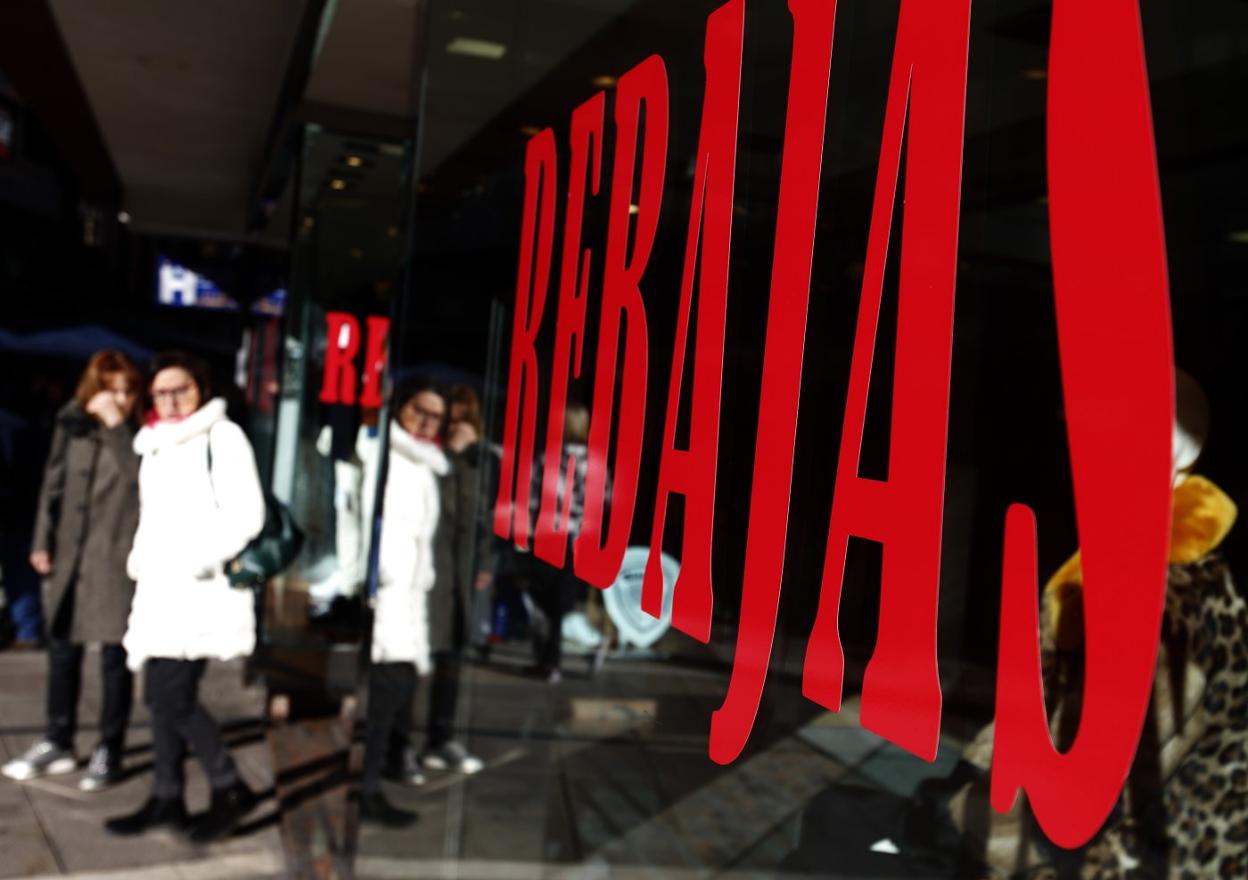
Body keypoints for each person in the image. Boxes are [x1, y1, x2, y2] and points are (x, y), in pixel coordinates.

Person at [105, 351, 265, 841]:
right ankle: (166, 795)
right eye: (162, 392)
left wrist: (201, 559)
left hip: (199, 592)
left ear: (201, 388)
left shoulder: (222, 435)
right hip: (159, 592)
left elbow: (247, 514)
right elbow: (152, 518)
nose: (172, 400)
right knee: (161, 697)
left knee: (167, 695)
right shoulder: (154, 444)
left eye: (182, 389)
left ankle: (228, 784)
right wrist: (140, 559)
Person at [2, 351, 142, 791]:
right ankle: (57, 739)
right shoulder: (71, 424)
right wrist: (43, 540)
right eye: (109, 389)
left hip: (116, 554)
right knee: (62, 650)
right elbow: (53, 483)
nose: (117, 399)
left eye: (125, 390)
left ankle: (110, 747)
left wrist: (118, 426)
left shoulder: (140, 434)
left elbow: (141, 478)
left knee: (114, 656)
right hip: (70, 554)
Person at [360, 378, 449, 826]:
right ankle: (368, 789)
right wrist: (381, 580)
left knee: (396, 690)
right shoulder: (387, 454)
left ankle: (374, 781)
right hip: (387, 595)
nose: (428, 422)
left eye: (437, 416)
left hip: (408, 595)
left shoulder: (424, 461)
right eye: (421, 410)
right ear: (400, 407)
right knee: (386, 693)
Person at [421, 384, 493, 774]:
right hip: (432, 570)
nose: (459, 426)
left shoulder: (480, 461)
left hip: (460, 574)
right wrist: (451, 454)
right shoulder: (434, 458)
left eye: (466, 418)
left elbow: (482, 517)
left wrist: (484, 563)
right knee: (416, 661)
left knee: (451, 660)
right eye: (454, 418)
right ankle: (400, 743)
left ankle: (441, 736)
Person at [524, 402, 605, 684]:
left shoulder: (548, 459)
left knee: (548, 602)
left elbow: (533, 499)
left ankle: (552, 661)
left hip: (549, 536)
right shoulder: (594, 463)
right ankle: (559, 657)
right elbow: (602, 502)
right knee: (560, 603)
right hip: (577, 539)